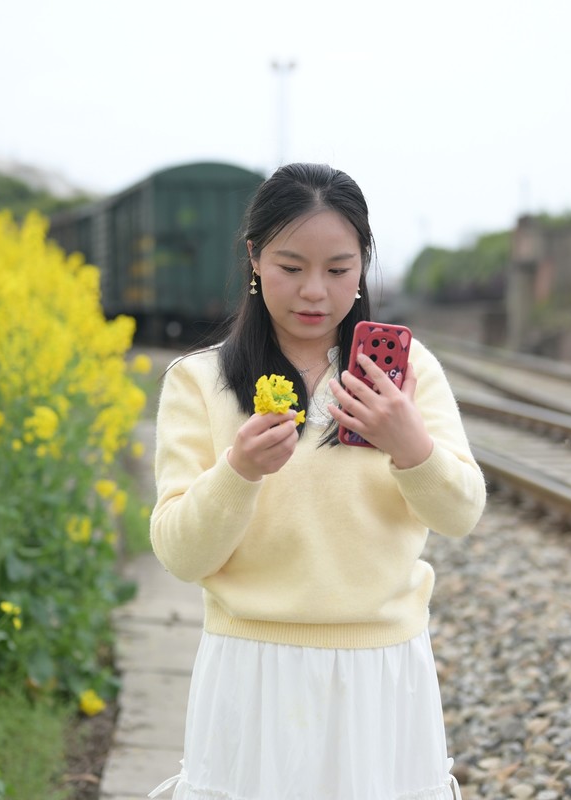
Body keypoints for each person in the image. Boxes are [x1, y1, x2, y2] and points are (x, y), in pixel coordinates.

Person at [148, 163, 487, 800]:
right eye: (290, 266)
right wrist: (238, 473)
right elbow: (179, 553)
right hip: (252, 670)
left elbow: (461, 514)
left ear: (364, 263)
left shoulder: (407, 374)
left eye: (338, 269)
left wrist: (410, 445)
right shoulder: (200, 382)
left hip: (381, 672)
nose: (315, 292)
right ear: (253, 258)